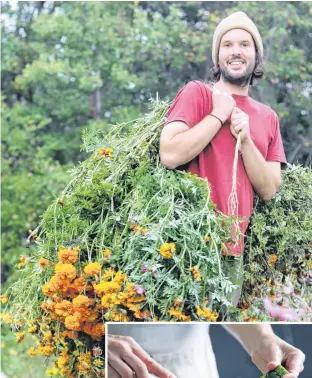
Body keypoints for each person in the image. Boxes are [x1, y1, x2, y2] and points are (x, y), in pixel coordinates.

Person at [159, 11, 287, 307]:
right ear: (217, 57)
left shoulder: (268, 118)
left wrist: (246, 140)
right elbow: (170, 153)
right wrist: (219, 114)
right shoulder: (198, 94)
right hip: (182, 244)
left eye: (245, 44)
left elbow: (269, 189)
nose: (236, 52)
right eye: (227, 45)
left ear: (256, 56)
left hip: (231, 255)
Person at [107, 323, 305, 378]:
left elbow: (223, 307)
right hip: (114, 368)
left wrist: (263, 338)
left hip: (190, 364)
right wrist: (100, 344)